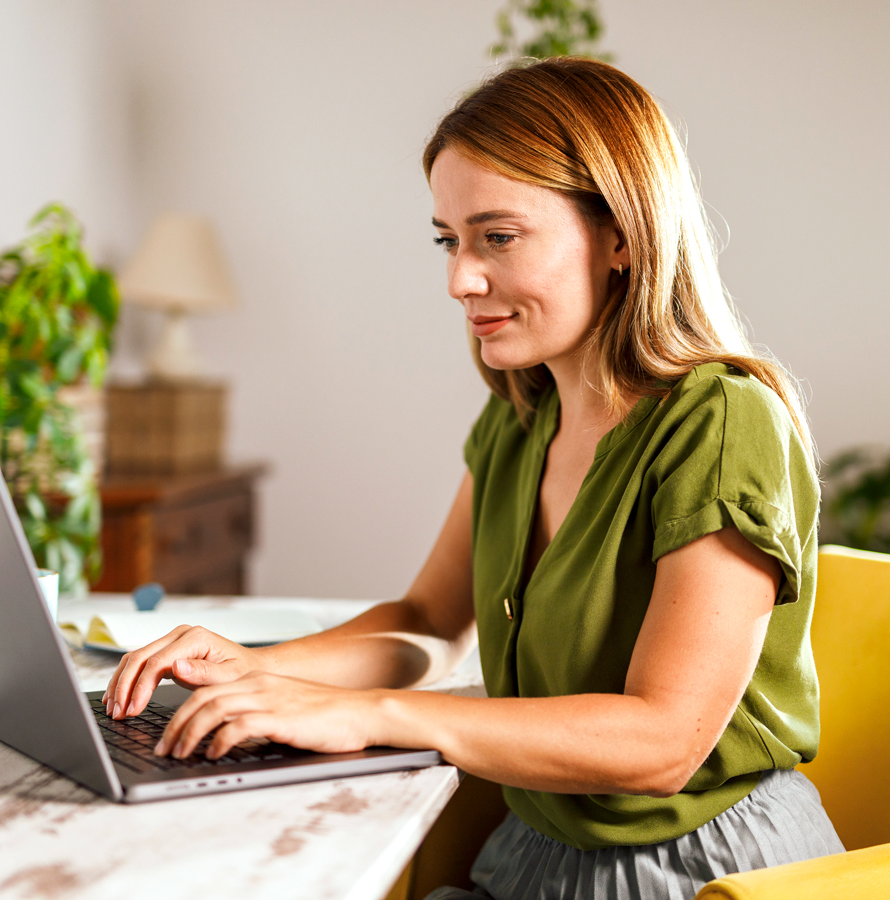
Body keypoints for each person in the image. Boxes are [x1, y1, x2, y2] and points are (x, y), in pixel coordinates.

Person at [103, 57, 844, 899]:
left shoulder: (721, 421)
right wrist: (256, 672)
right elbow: (428, 622)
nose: (461, 279)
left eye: (498, 236)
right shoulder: (519, 417)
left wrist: (368, 714)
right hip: (532, 847)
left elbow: (664, 742)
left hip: (701, 871)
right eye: (449, 240)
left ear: (622, 236)